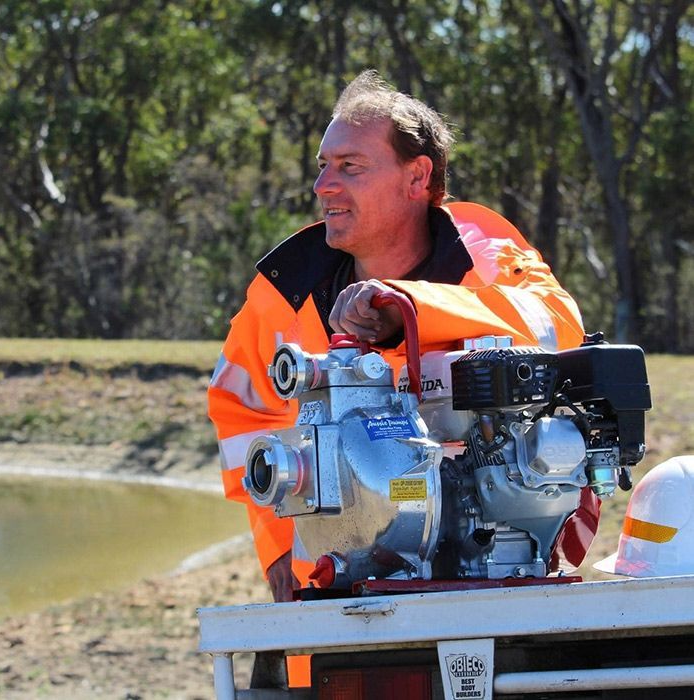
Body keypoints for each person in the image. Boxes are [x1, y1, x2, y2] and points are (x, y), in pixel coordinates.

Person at [207, 72, 589, 681]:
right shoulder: (283, 292)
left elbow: (557, 326)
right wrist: (282, 545)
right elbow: (240, 411)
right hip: (328, 590)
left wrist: (409, 308)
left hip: (489, 579)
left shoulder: (485, 250)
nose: (322, 185)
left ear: (418, 178)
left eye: (350, 166)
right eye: (323, 165)